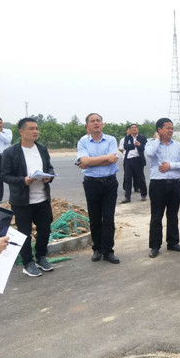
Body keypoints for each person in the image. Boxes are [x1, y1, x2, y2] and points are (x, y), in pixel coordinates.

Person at [1, 117, 55, 276]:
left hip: (42, 198)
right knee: (24, 232)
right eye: (31, 129)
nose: (35, 131)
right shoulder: (10, 152)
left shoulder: (42, 149)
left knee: (45, 229)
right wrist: (23, 180)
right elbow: (4, 176)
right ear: (21, 131)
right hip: (22, 201)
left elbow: (49, 167)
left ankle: (41, 257)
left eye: (36, 128)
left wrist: (49, 176)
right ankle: (27, 262)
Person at [77, 113, 120, 264]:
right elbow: (84, 161)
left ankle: (108, 251)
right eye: (92, 121)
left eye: (98, 120)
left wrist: (90, 162)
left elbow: (112, 160)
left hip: (110, 183)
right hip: (91, 184)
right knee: (94, 218)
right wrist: (105, 158)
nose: (96, 123)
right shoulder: (83, 141)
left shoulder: (111, 140)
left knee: (108, 218)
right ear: (87, 126)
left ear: (102, 124)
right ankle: (97, 249)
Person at [145, 118, 180, 258]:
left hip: (175, 184)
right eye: (168, 128)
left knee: (173, 215)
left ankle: (173, 242)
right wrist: (157, 140)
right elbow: (150, 154)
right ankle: (155, 245)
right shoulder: (151, 144)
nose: (171, 130)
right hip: (158, 184)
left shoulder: (178, 145)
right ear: (159, 130)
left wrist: (170, 166)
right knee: (157, 216)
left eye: (172, 128)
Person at [121, 123, 148, 203]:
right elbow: (126, 147)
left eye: (135, 127)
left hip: (138, 159)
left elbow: (146, 147)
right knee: (128, 178)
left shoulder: (142, 137)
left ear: (137, 129)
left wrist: (139, 144)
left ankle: (143, 195)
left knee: (140, 178)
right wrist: (134, 145)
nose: (134, 129)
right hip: (128, 159)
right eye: (132, 128)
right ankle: (127, 197)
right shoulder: (127, 137)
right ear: (130, 130)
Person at [119, 126, 140, 193]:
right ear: (127, 131)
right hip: (127, 159)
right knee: (127, 174)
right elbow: (121, 149)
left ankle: (137, 187)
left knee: (136, 174)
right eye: (129, 129)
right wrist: (125, 154)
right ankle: (126, 188)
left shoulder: (137, 138)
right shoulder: (123, 139)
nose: (132, 130)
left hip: (136, 158)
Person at [0, 117, 13, 202]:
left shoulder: (7, 131)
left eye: (0, 123)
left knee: (10, 176)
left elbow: (8, 141)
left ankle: (13, 197)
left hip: (7, 156)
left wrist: (0, 133)